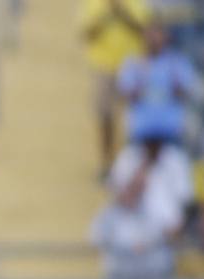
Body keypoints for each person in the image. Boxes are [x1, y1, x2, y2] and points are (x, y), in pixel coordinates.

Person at [78, 0, 149, 175]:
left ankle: (128, 164)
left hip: (132, 66)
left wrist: (122, 13)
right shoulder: (94, 3)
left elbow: (145, 29)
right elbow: (87, 33)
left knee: (131, 119)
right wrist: (107, 14)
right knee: (104, 116)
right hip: (103, 65)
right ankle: (106, 162)